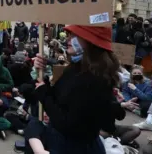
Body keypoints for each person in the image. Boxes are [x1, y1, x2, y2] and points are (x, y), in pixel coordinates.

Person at [30, 25, 120, 153]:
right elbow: (58, 97)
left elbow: (67, 124)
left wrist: (44, 95)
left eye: (74, 36)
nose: (68, 39)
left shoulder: (93, 78)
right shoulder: (76, 68)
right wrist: (42, 75)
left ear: (90, 41)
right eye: (69, 35)